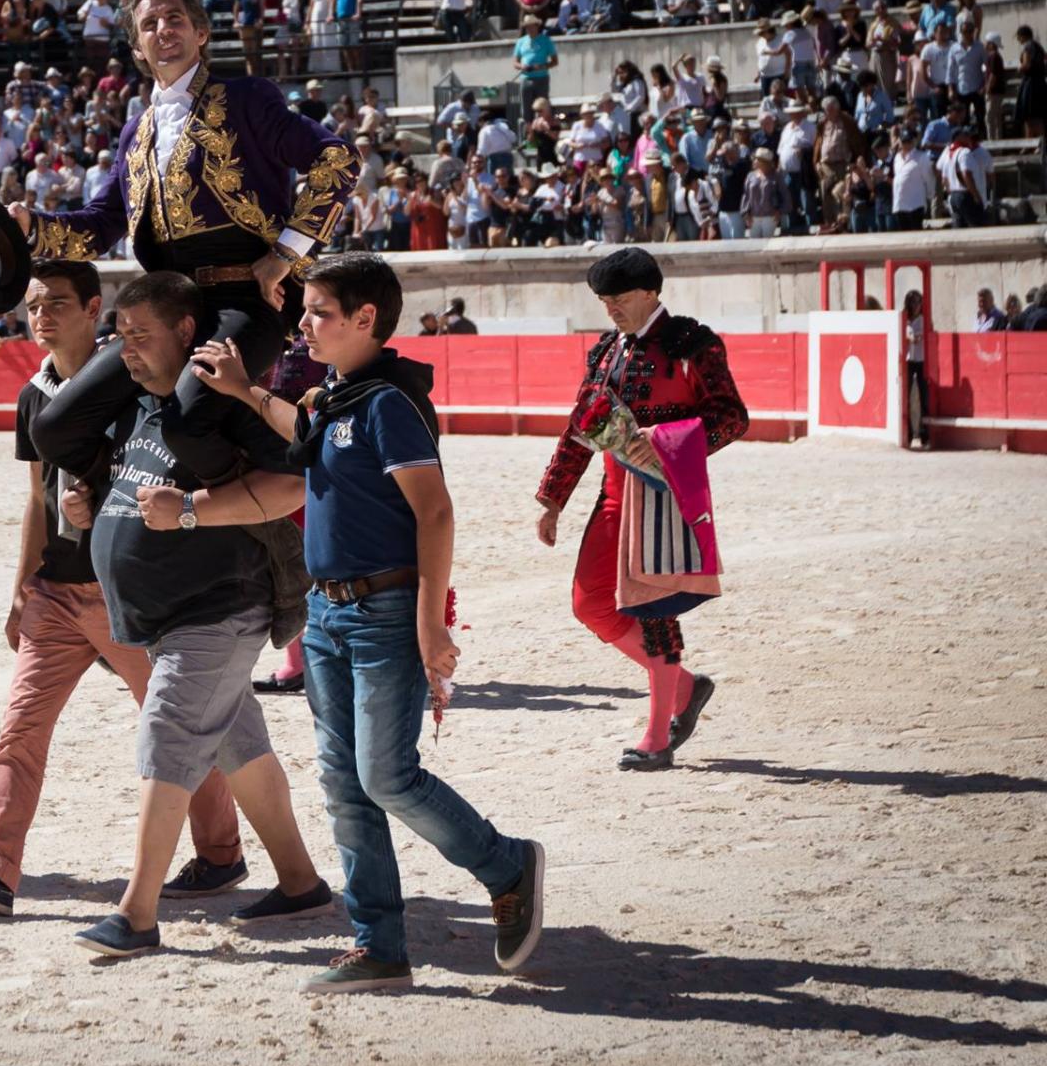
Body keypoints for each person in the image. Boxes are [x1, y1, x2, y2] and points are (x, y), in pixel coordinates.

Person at [192, 254, 545, 990]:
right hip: (326, 615)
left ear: (365, 321)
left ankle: (508, 863)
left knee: (386, 775)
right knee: (346, 783)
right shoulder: (337, 398)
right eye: (305, 309)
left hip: (383, 611)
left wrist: (429, 622)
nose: (304, 323)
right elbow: (304, 428)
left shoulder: (387, 403)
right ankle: (378, 944)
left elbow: (436, 511)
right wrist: (248, 392)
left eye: (319, 311)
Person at [0, 261, 246, 918]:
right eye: (33, 303)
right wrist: (21, 585)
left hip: (123, 593)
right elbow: (35, 499)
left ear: (93, 308)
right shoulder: (33, 393)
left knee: (178, 733)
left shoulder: (129, 383)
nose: (40, 315)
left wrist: (101, 501)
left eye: (56, 303)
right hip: (56, 592)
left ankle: (220, 853)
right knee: (20, 729)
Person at [62, 271, 331, 960]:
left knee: (169, 734)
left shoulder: (222, 402)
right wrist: (98, 511)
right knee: (239, 748)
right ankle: (300, 883)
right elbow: (137, 479)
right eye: (120, 336)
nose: (126, 349)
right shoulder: (141, 402)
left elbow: (288, 484)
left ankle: (136, 912)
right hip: (173, 613)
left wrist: (187, 511)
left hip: (219, 604)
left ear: (187, 332)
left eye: (141, 334)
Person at [10, 0, 357, 490]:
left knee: (189, 421)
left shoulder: (245, 98)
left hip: (247, 298)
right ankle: (124, 494)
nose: (163, 29)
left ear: (201, 34)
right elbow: (101, 225)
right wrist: (30, 227)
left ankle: (273, 506)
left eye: (176, 19)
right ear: (137, 49)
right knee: (54, 427)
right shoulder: (135, 132)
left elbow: (336, 158)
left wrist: (286, 254)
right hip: (165, 310)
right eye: (150, 24)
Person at [535, 249, 748, 770]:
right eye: (605, 300)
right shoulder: (607, 351)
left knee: (655, 613)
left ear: (652, 292)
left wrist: (671, 441)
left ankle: (657, 737)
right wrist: (552, 498)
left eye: (621, 298)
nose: (611, 309)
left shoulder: (691, 344)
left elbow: (732, 417)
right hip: (613, 495)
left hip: (666, 495)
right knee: (590, 604)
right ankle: (683, 687)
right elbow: (581, 426)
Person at [903, 289, 929, 448]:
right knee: (906, 398)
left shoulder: (923, 320)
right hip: (908, 361)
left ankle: (923, 433)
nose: (915, 306)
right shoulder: (904, 320)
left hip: (921, 361)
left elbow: (920, 338)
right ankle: (909, 433)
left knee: (923, 398)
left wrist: (913, 338)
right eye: (912, 302)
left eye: (918, 302)